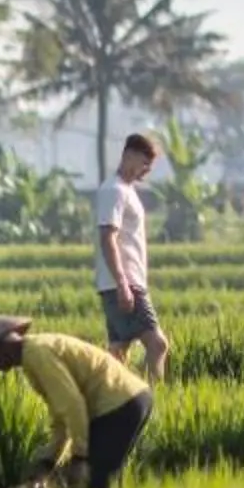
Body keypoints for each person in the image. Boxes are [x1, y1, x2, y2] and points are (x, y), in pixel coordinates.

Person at [0, 313, 153, 488]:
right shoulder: (32, 356)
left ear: (0, 349)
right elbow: (60, 415)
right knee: (103, 482)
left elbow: (72, 405)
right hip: (128, 400)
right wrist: (49, 459)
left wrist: (79, 455)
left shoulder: (37, 355)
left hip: (119, 405)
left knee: (95, 485)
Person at [93, 132, 169, 382]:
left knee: (118, 354)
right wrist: (124, 284)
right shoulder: (114, 190)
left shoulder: (125, 190)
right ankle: (153, 403)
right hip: (125, 284)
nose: (146, 170)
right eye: (145, 162)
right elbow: (108, 238)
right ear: (129, 155)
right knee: (157, 345)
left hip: (121, 284)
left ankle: (113, 407)